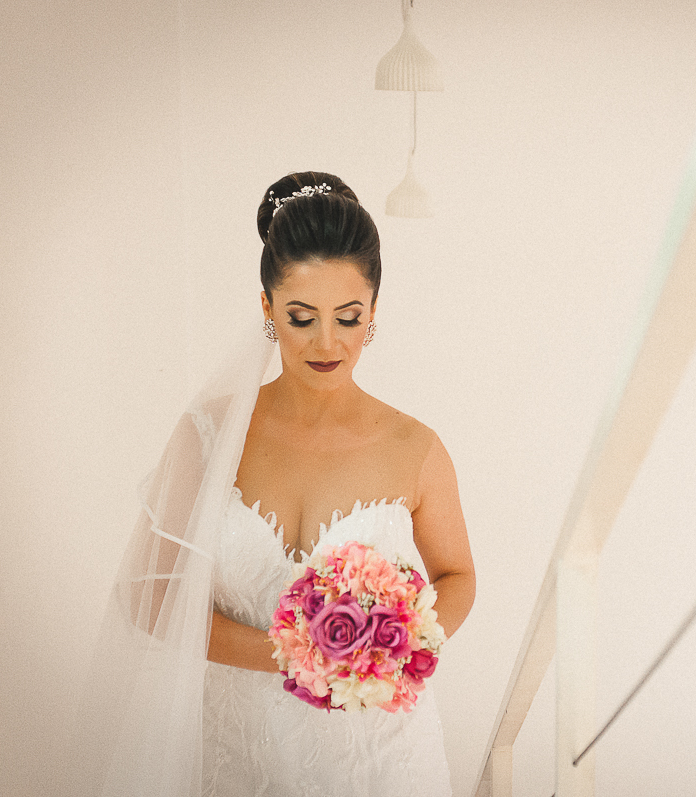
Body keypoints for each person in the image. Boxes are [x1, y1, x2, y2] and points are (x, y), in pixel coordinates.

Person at [69, 171, 475, 797]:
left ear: (373, 310)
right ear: (267, 309)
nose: (327, 342)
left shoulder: (415, 446)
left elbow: (458, 576)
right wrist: (297, 654)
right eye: (301, 317)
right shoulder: (208, 435)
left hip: (384, 758)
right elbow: (149, 593)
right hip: (238, 752)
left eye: (348, 317)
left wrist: (391, 645)